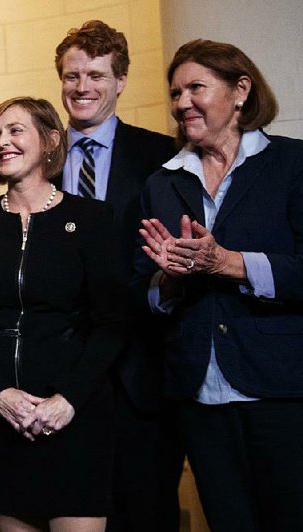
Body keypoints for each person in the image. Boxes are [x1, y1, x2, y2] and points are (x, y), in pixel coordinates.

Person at [134, 39, 303, 532]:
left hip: (281, 388)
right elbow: (140, 291)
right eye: (175, 92)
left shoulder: (292, 166)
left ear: (241, 90)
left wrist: (228, 263)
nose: (182, 102)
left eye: (196, 88)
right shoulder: (160, 184)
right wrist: (167, 281)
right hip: (198, 394)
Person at [0, 96, 128, 531]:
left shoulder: (91, 218)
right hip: (2, 423)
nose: (2, 142)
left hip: (75, 419)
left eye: (15, 131)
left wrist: (68, 399)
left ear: (51, 141)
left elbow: (112, 322)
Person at [54, 20, 183, 531]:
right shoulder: (39, 156)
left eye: (96, 75)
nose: (82, 87)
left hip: (138, 373)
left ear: (121, 80)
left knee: (146, 511)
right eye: (71, 75)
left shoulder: (163, 157)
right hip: (60, 372)